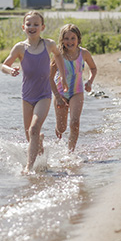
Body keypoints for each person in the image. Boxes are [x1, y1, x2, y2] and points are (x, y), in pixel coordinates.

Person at [1, 11, 67, 172]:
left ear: (42, 27)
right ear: (23, 27)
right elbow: (4, 65)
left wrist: (62, 76)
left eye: (36, 24)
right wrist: (11, 71)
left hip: (44, 95)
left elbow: (58, 56)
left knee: (33, 129)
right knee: (30, 136)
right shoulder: (20, 48)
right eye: (29, 24)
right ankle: (42, 161)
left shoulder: (48, 45)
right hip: (26, 97)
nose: (32, 27)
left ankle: (29, 168)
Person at [49, 23, 98, 153]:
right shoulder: (58, 55)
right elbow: (49, 78)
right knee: (62, 128)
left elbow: (93, 68)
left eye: (73, 38)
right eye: (66, 38)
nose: (69, 41)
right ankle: (57, 129)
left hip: (77, 92)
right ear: (62, 39)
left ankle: (70, 153)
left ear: (78, 39)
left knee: (75, 123)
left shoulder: (84, 53)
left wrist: (89, 81)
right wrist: (58, 97)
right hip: (61, 94)